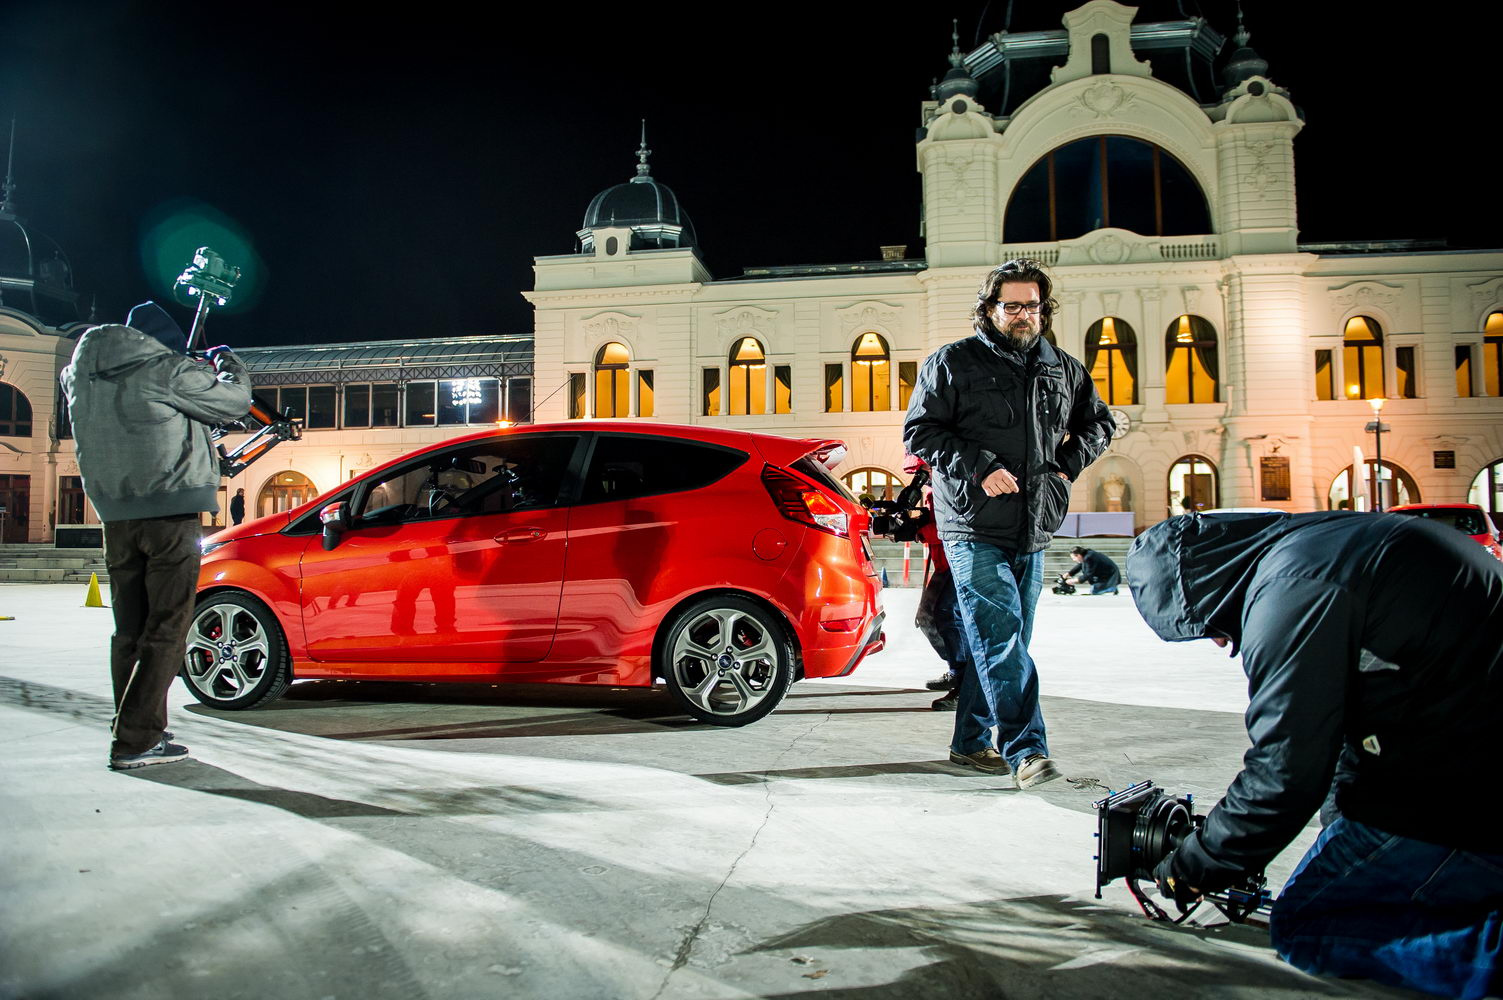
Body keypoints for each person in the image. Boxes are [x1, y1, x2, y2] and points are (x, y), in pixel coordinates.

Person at [1127, 510, 1501, 999]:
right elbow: (1350, 723)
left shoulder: (1290, 589)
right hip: (1460, 744)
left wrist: (1191, 867)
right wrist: (1340, 825)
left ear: (1206, 589)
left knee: (1307, 925)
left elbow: (1284, 771)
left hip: (1463, 791)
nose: (1221, 642)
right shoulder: (1328, 544)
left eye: (1206, 626)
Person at [904, 258, 1113, 788]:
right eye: (1012, 305)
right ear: (989, 308)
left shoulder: (1062, 368)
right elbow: (920, 433)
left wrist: (1065, 467)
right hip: (972, 527)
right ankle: (1026, 751)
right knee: (1000, 639)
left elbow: (1100, 423)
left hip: (1035, 527)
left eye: (1033, 306)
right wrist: (980, 466)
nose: (1023, 315)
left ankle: (970, 743)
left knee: (1003, 642)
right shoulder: (952, 363)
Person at [61, 302, 253, 771]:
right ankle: (135, 738)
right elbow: (235, 401)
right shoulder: (163, 369)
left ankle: (142, 728)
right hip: (170, 512)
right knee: (167, 628)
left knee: (129, 631)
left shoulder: (79, 377)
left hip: (116, 518)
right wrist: (225, 361)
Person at [903, 455, 970, 712]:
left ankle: (966, 682)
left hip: (961, 559)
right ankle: (957, 666)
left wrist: (919, 530)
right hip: (944, 562)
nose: (921, 475)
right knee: (927, 617)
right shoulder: (932, 484)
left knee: (947, 614)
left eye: (924, 469)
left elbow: (955, 522)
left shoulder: (955, 478)